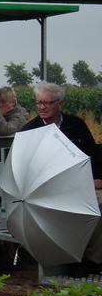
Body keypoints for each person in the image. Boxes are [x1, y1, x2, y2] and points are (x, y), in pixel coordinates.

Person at [21, 82, 102, 269]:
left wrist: (97, 176)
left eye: (47, 103)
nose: (42, 107)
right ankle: (70, 259)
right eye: (39, 102)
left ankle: (94, 260)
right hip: (48, 190)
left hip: (82, 184)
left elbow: (93, 154)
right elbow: (24, 168)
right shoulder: (29, 131)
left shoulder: (77, 125)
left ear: (60, 104)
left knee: (99, 204)